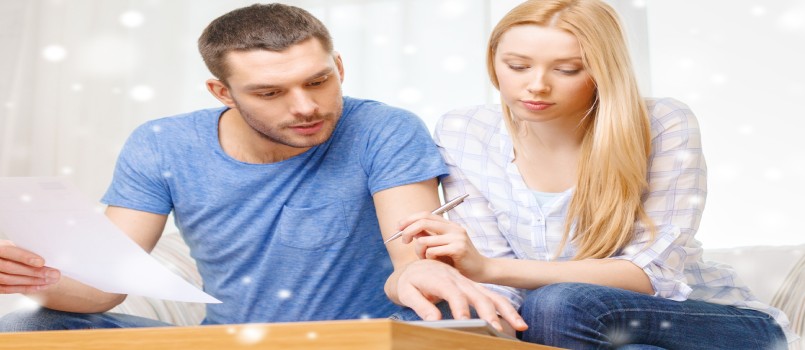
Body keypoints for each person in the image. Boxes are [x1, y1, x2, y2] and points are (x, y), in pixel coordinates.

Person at [0, 3, 525, 333]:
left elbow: (408, 257)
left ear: (338, 67)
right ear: (221, 92)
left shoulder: (384, 128)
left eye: (318, 81)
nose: (304, 107)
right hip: (229, 339)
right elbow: (103, 288)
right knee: (28, 325)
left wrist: (423, 270)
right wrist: (28, 277)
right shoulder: (162, 144)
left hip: (363, 338)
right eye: (270, 93)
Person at [393, 0, 795, 348]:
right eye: (516, 66)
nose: (536, 86)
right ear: (494, 61)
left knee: (558, 303)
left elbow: (649, 272)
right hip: (578, 331)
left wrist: (487, 268)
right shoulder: (464, 131)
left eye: (567, 70)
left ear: (602, 70)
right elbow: (499, 288)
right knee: (434, 321)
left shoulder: (663, 122)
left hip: (706, 324)